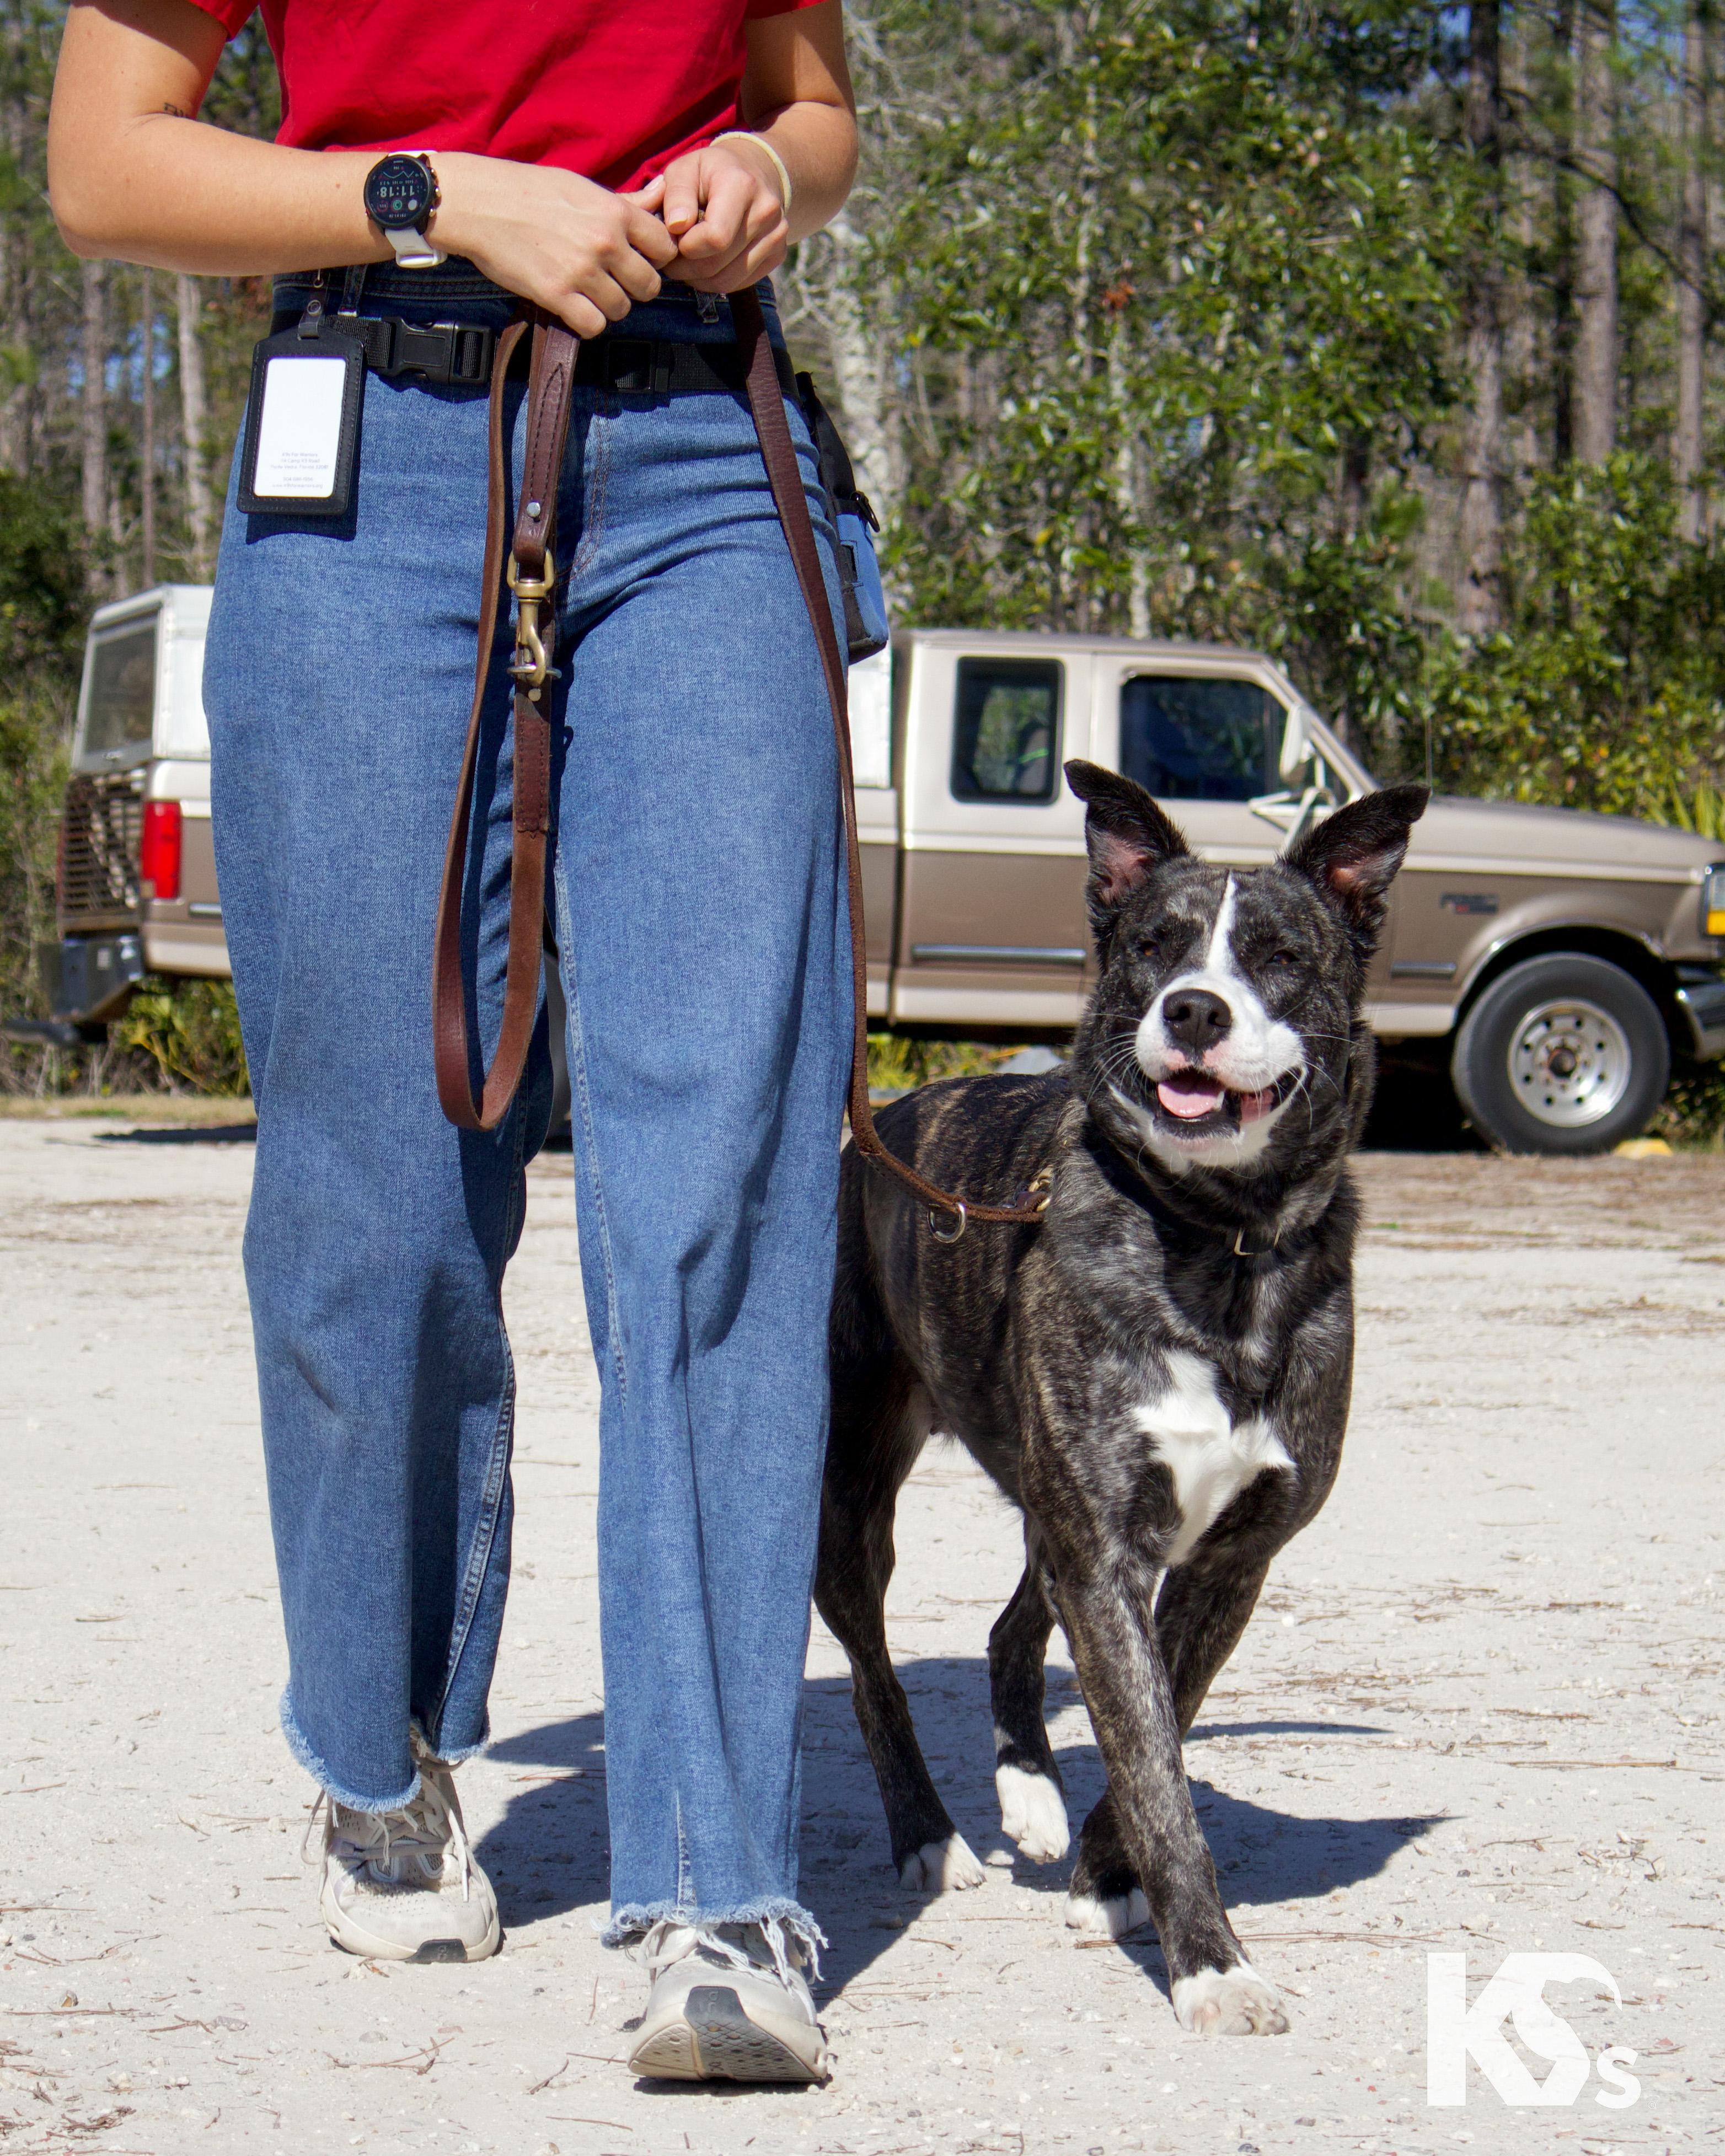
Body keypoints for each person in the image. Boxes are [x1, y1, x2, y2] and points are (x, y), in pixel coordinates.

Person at [49, 0, 859, 2085]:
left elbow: (812, 101)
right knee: (379, 1178)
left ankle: (713, 1872)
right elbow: (105, 165)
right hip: (370, 444)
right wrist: (432, 200)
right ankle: (376, 1745)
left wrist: (774, 175)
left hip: (694, 446)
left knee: (722, 1166)